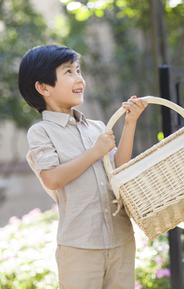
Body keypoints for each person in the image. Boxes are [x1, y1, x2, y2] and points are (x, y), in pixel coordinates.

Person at [18, 44, 146, 289]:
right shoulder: (41, 132)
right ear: (43, 87)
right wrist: (94, 152)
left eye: (78, 70)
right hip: (79, 246)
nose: (80, 79)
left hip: (121, 239)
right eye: (68, 72)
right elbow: (52, 179)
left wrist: (130, 123)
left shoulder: (97, 127)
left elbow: (119, 170)